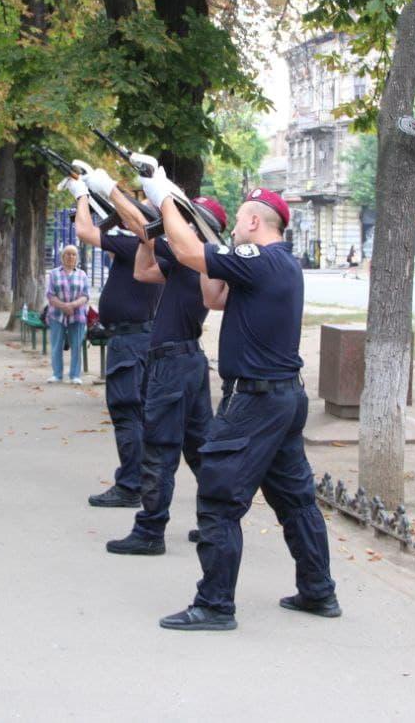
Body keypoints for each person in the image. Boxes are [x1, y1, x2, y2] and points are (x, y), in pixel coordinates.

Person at [141, 176, 338, 631]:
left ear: (252, 220)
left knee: (218, 498)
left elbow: (190, 255)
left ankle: (214, 606)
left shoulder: (261, 260)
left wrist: (165, 198)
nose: (233, 232)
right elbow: (213, 295)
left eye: (237, 223)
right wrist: (201, 233)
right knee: (295, 501)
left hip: (255, 402)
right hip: (281, 398)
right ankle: (318, 591)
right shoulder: (273, 264)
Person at [84, 162, 225, 554]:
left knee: (159, 449)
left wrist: (111, 189)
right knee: (200, 450)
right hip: (186, 362)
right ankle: (214, 522)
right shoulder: (192, 257)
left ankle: (150, 531)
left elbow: (142, 222)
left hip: (173, 364)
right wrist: (149, 236)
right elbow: (145, 272)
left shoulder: (196, 254)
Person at [62, 176, 162, 509]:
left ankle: (131, 485)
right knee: (138, 414)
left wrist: (82, 195)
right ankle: (144, 482)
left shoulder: (135, 242)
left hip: (129, 340)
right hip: (139, 337)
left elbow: (85, 232)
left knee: (126, 413)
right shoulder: (146, 243)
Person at [45, 245, 90, 384]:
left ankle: (75, 375)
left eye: (73, 254)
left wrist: (72, 305)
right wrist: (64, 306)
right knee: (56, 345)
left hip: (77, 315)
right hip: (57, 315)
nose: (71, 257)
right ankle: (57, 374)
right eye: (68, 254)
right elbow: (50, 295)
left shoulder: (82, 274)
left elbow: (85, 295)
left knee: (76, 345)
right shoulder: (53, 274)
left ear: (77, 257)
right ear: (62, 257)